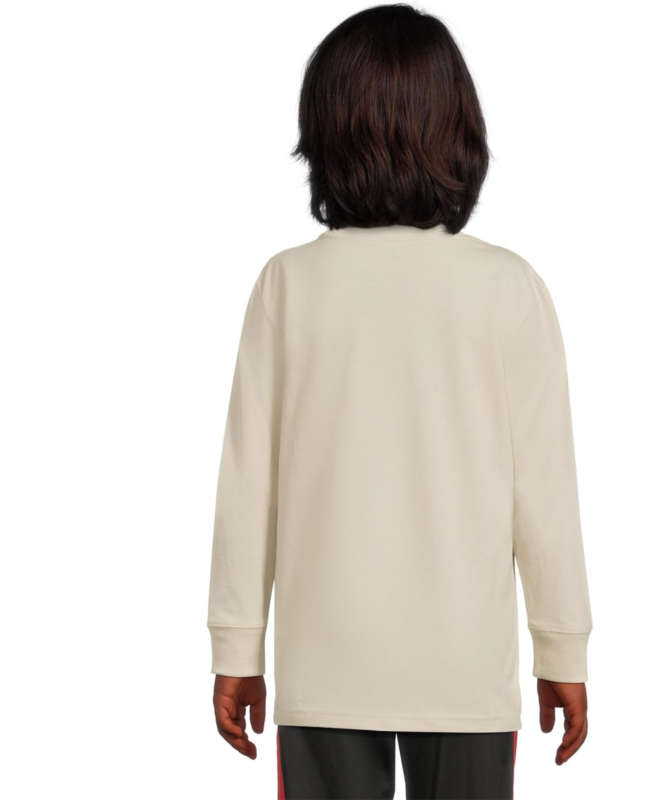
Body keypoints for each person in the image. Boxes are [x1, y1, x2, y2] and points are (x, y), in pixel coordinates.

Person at [206, 5, 592, 798]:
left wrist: (237, 647)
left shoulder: (289, 285)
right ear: (459, 129)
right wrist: (562, 648)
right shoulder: (507, 287)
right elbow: (544, 493)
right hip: (466, 668)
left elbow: (250, 489)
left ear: (324, 131)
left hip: (325, 662)